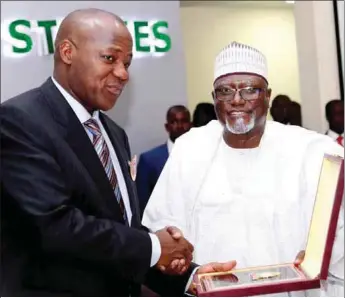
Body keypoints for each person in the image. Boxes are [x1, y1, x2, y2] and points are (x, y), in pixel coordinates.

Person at [0, 9, 235, 296]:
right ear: (67, 52)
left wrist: (189, 276)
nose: (123, 73)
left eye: (127, 62)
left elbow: (120, 233)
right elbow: (55, 227)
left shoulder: (113, 133)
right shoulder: (19, 120)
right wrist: (155, 247)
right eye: (110, 58)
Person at [142, 41, 344, 296]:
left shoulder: (312, 151)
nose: (237, 100)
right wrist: (174, 255)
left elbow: (337, 230)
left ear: (268, 96)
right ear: (214, 99)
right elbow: (162, 228)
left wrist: (322, 257)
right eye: (225, 91)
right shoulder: (190, 149)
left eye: (250, 90)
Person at [136, 105, 191, 215]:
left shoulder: (204, 156)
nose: (179, 126)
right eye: (174, 122)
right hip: (161, 228)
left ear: (190, 125)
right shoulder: (149, 160)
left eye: (184, 121)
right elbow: (142, 203)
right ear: (167, 126)